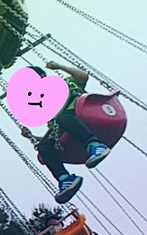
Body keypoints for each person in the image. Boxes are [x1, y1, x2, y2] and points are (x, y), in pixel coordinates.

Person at [19, 61, 112, 204]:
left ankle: (95, 145)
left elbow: (83, 77)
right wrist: (31, 136)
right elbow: (55, 134)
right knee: (43, 146)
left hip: (85, 115)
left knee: (63, 118)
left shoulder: (64, 85)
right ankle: (65, 179)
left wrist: (59, 66)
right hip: (68, 125)